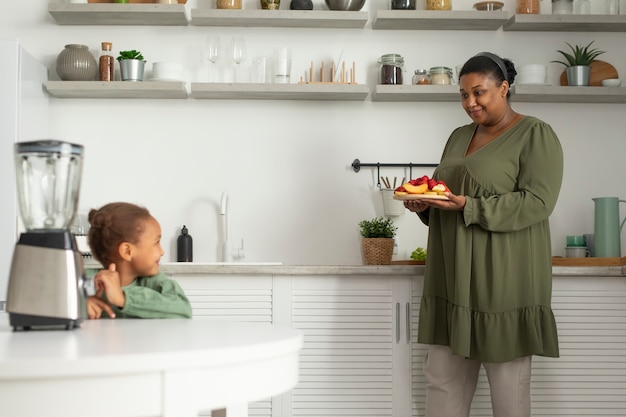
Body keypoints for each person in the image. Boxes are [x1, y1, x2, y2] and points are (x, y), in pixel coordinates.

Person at [404, 52, 563, 417]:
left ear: (504, 88)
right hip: (452, 279)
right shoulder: (459, 137)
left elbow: (538, 202)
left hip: (503, 280)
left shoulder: (535, 134)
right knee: (442, 385)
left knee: (509, 392)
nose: (470, 103)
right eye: (463, 95)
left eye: (479, 93)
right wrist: (425, 206)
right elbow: (449, 198)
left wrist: (469, 207)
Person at [86, 202, 192, 320]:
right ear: (127, 251)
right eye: (156, 242)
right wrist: (79, 306)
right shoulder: (83, 280)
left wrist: (123, 299)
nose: (162, 252)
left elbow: (183, 310)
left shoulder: (156, 282)